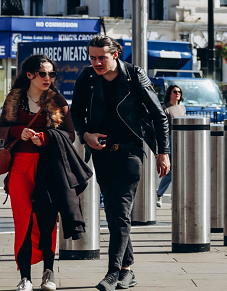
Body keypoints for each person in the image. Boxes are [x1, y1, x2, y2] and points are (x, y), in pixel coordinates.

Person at [71, 35, 170, 291]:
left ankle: (113, 272)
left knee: (121, 210)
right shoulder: (87, 78)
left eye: (101, 57)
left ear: (116, 54)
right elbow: (76, 114)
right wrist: (85, 135)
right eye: (92, 57)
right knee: (114, 212)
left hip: (130, 151)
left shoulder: (134, 75)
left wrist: (163, 151)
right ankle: (127, 270)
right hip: (102, 153)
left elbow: (159, 115)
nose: (96, 62)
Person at [0, 54, 91, 291]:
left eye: (52, 74)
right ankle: (25, 278)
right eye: (43, 73)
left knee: (48, 221)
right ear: (29, 75)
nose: (48, 78)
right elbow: (2, 130)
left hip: (49, 167)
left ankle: (48, 273)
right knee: (23, 222)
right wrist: (18, 131)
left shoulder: (58, 101)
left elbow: (70, 135)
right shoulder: (14, 99)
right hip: (21, 167)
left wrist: (47, 137)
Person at [156, 85, 186, 208]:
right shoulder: (165, 108)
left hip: (181, 139)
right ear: (170, 93)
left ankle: (176, 194)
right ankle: (159, 193)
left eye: (179, 91)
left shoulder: (182, 108)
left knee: (180, 169)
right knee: (169, 170)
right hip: (169, 139)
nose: (177, 93)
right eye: (175, 91)